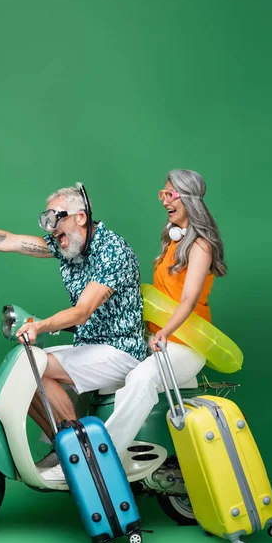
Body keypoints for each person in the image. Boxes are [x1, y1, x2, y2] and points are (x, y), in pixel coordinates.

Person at [0, 184, 146, 481]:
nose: (50, 228)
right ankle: (64, 446)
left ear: (80, 217)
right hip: (91, 345)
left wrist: (39, 325)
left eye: (56, 218)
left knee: (34, 365)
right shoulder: (69, 245)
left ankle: (82, 454)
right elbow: (5, 241)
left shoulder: (112, 251)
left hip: (120, 350)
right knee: (24, 369)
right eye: (46, 220)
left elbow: (81, 312)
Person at [105, 169, 227, 457]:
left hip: (184, 346)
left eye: (170, 194)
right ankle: (128, 463)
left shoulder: (200, 245)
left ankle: (103, 454)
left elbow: (187, 299)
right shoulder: (175, 241)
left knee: (140, 380)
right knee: (120, 386)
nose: (164, 201)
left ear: (188, 198)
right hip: (161, 343)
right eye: (163, 194)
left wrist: (165, 331)